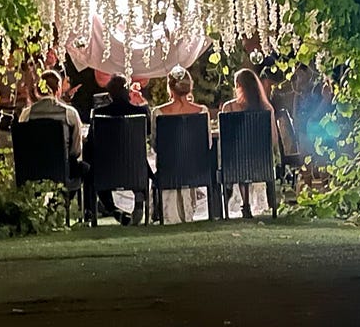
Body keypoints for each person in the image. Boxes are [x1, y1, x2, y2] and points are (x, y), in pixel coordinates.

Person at [87, 73, 154, 224]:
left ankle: (112, 210)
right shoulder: (140, 112)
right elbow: (150, 132)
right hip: (135, 168)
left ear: (109, 94)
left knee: (91, 168)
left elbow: (91, 142)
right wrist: (143, 104)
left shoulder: (98, 114)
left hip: (106, 169)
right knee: (140, 161)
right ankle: (139, 197)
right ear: (128, 92)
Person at [218, 67, 280, 217]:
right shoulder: (266, 108)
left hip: (236, 161)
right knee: (246, 158)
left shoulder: (229, 107)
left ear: (238, 86)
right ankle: (265, 204)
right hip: (261, 159)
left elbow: (225, 138)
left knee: (240, 159)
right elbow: (273, 138)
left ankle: (245, 205)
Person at [157, 68, 207, 224]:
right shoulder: (202, 111)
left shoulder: (158, 113)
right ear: (190, 87)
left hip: (169, 166)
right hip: (195, 167)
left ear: (170, 88)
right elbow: (207, 143)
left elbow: (155, 145)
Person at [18, 70, 87, 179]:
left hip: (33, 171)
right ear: (59, 88)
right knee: (85, 169)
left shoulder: (26, 114)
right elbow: (76, 151)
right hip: (62, 171)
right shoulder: (70, 114)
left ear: (38, 89)